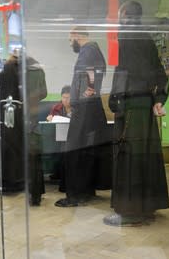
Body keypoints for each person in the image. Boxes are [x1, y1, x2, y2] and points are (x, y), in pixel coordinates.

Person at [104, 1, 169, 226]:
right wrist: (159, 100)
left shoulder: (123, 38)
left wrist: (115, 102)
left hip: (130, 106)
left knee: (129, 159)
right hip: (145, 107)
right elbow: (160, 76)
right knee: (144, 158)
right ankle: (146, 208)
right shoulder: (147, 39)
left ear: (125, 16)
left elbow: (121, 75)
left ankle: (130, 213)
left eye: (120, 14)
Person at [55, 27, 108, 207]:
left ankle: (76, 195)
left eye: (71, 41)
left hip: (86, 108)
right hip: (90, 107)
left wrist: (87, 93)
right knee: (85, 152)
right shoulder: (92, 50)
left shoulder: (88, 50)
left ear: (76, 36)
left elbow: (91, 74)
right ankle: (85, 191)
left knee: (74, 151)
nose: (71, 44)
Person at [0, 50, 47, 205]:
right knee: (34, 157)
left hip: (13, 118)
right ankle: (36, 194)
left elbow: (5, 95)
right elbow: (44, 93)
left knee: (14, 153)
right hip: (32, 117)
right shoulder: (38, 69)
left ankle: (12, 186)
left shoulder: (9, 70)